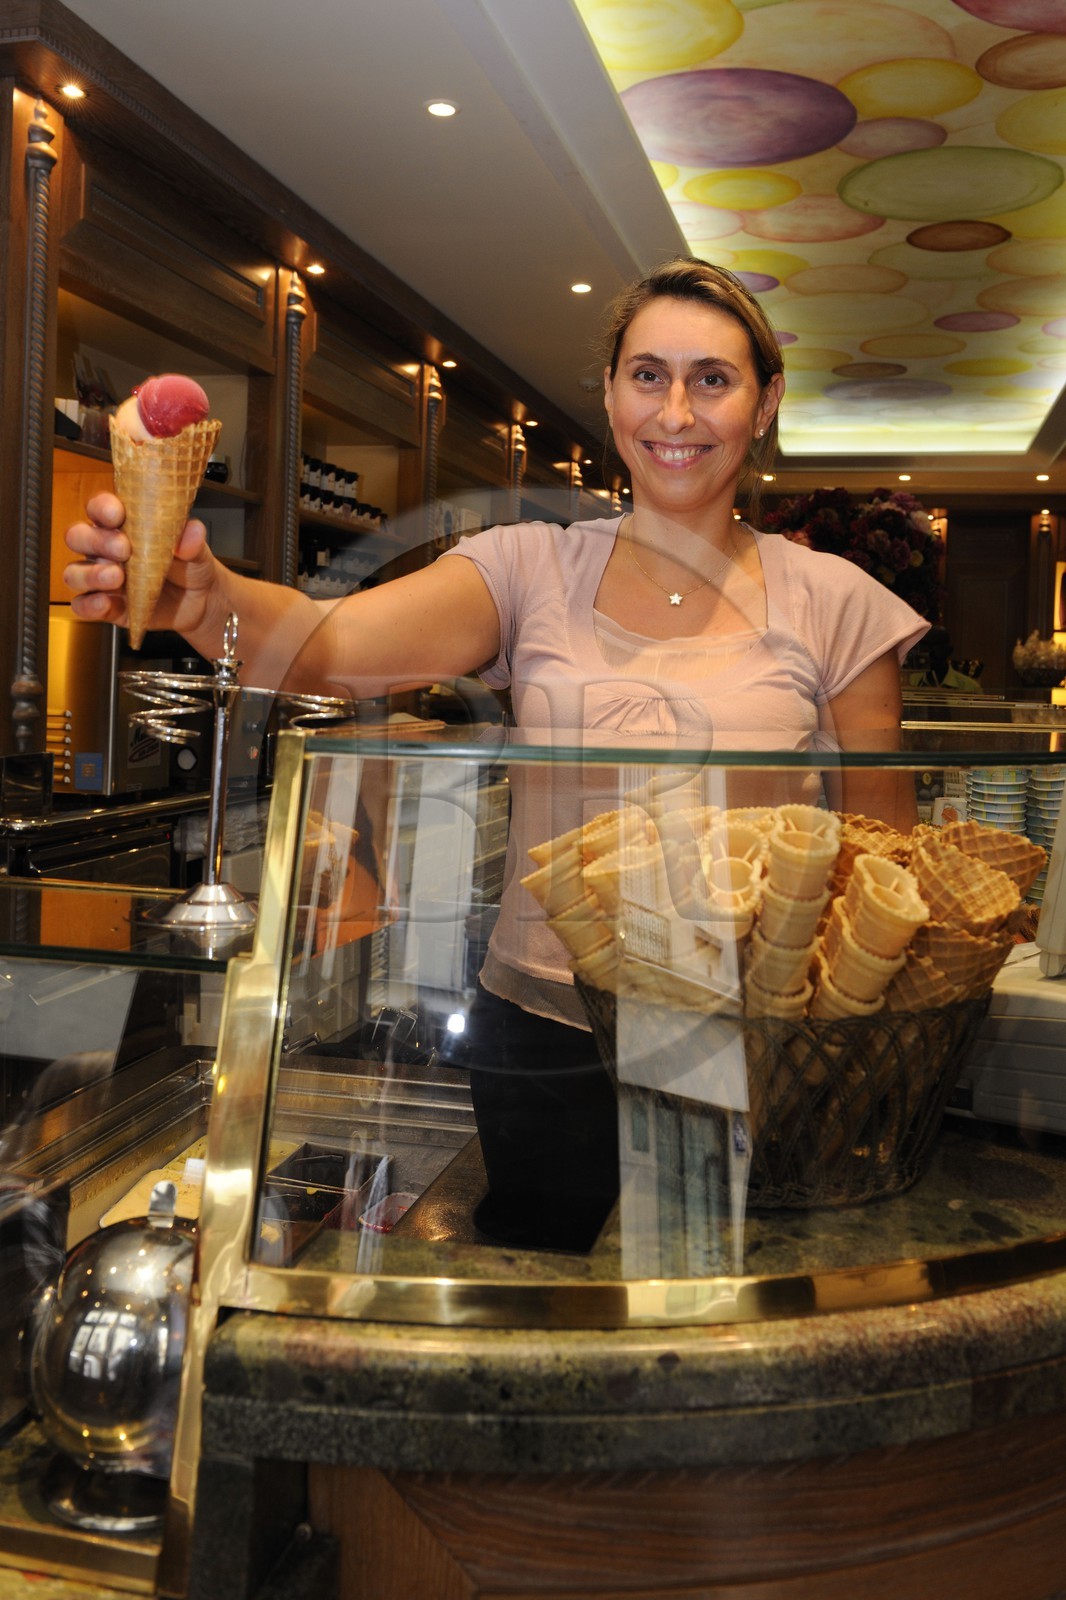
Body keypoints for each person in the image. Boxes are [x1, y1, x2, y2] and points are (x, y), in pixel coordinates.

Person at [65, 257, 929, 1251]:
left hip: (744, 1042)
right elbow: (330, 641)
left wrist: (841, 1067)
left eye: (712, 378)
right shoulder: (530, 566)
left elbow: (881, 863)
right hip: (539, 1034)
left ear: (763, 402)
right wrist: (205, 596)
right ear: (608, 394)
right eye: (647, 375)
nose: (676, 411)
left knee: (717, 1332)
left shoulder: (839, 602)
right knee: (542, 1305)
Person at [907, 626, 982, 693]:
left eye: (937, 645)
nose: (930, 651)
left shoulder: (970, 687)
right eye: (925, 645)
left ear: (949, 651)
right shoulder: (911, 683)